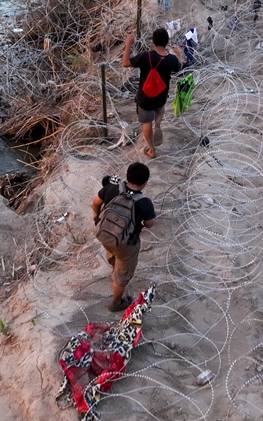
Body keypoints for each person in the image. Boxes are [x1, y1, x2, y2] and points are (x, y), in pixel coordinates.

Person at [92, 162, 157, 312]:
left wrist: (96, 215)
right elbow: (150, 224)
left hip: (105, 234)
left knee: (113, 253)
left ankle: (115, 266)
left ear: (127, 177)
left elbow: (95, 203)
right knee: (122, 275)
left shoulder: (112, 188)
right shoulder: (144, 203)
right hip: (126, 243)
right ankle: (116, 302)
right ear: (145, 183)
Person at [123, 28, 184, 158]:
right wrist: (179, 54)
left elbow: (125, 63)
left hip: (145, 97)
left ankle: (151, 149)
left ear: (153, 42)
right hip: (161, 96)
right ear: (167, 42)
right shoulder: (172, 59)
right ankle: (157, 126)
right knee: (160, 110)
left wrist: (128, 44)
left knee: (146, 123)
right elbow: (179, 68)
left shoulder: (146, 56)